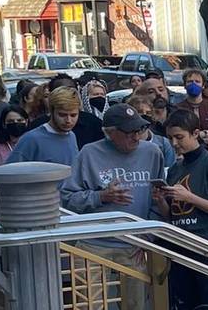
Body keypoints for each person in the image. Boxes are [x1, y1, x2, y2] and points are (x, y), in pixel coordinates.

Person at [60, 104, 164, 310]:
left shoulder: (152, 152)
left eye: (139, 130)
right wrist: (101, 196)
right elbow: (67, 198)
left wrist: (148, 237)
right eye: (129, 133)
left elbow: (158, 198)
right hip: (93, 243)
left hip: (135, 244)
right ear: (110, 133)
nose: (136, 137)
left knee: (136, 305)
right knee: (89, 305)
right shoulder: (89, 153)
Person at [156, 109, 208, 310]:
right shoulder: (175, 169)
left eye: (179, 137)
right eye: (170, 138)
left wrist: (190, 197)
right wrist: (161, 201)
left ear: (196, 133)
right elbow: (173, 215)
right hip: (180, 246)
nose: (174, 143)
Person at [5, 86, 80, 165]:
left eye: (73, 115)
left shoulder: (71, 136)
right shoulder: (31, 139)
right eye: (62, 115)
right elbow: (10, 172)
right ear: (51, 111)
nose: (68, 120)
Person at [127, 96, 177, 177]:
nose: (144, 115)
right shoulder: (124, 142)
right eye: (140, 112)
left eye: (148, 113)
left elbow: (171, 172)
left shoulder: (164, 143)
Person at [176, 69, 208, 134]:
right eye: (190, 81)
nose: (193, 84)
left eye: (197, 81)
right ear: (184, 85)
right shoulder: (177, 109)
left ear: (203, 85)